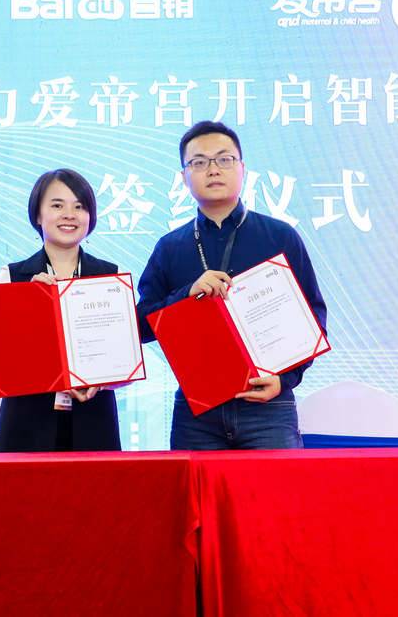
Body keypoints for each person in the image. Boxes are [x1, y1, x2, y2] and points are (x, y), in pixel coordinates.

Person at [137, 121, 327, 450]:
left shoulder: (280, 236)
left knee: (275, 487)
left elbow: (314, 315)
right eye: (199, 162)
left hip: (269, 407)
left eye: (224, 159)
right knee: (195, 488)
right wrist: (186, 294)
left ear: (242, 169)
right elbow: (142, 326)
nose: (213, 169)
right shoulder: (170, 247)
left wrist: (285, 379)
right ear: (183, 177)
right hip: (197, 414)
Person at [0, 168, 122, 452]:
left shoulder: (110, 277)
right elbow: (2, 362)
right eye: (57, 205)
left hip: (93, 418)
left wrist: (102, 381)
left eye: (79, 207)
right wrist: (28, 302)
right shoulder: (13, 276)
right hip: (27, 422)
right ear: (38, 215)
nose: (69, 215)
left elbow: (123, 359)